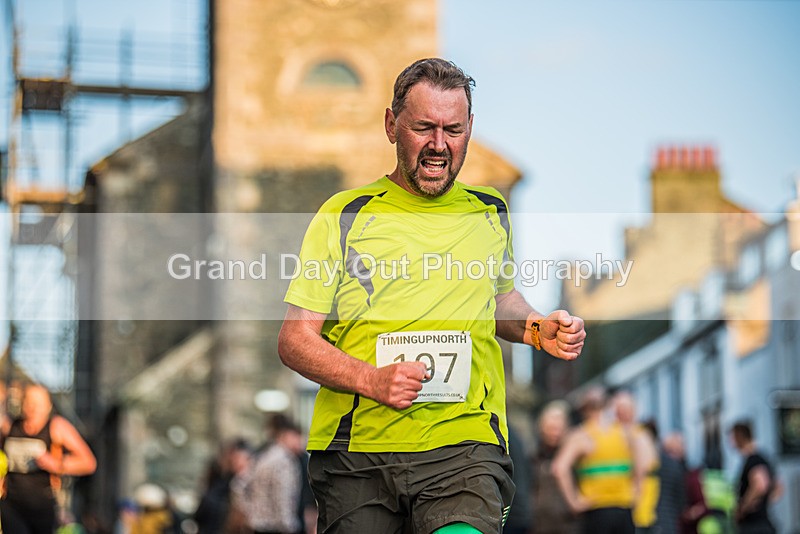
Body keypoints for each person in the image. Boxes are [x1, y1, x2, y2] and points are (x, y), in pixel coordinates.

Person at [277, 57, 586, 534]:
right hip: (359, 453)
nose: (439, 144)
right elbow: (295, 339)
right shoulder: (344, 215)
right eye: (423, 128)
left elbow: (499, 301)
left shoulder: (490, 212)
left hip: (465, 446)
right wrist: (371, 380)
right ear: (391, 125)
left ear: (470, 129)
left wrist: (536, 328)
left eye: (453, 130)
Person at [0, 383, 97, 534]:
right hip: (12, 504)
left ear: (48, 406)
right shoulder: (9, 426)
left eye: (38, 404)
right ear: (22, 403)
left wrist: (56, 464)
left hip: (42, 506)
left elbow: (89, 462)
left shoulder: (57, 427)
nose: (33, 408)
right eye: (29, 402)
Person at [551, 386, 642, 534]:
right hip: (624, 509)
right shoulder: (625, 433)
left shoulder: (582, 435)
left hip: (596, 510)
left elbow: (559, 468)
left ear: (583, 409)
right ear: (608, 405)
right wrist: (637, 492)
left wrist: (574, 503)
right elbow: (641, 466)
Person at [231, 416, 304, 534]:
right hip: (277, 527)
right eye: (297, 437)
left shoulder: (265, 457)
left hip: (258, 525)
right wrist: (288, 525)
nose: (301, 442)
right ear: (286, 435)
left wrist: (250, 512)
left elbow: (238, 484)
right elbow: (283, 495)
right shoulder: (284, 460)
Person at [531, 401, 578, 534]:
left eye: (559, 429)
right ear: (542, 428)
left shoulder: (572, 456)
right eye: (551, 428)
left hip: (568, 524)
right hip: (539, 525)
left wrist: (576, 504)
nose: (555, 434)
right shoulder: (534, 456)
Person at [730, 421, 780, 534]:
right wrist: (764, 501)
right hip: (763, 523)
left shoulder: (754, 460)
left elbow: (760, 485)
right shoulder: (763, 458)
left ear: (739, 437)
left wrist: (744, 507)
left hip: (754, 526)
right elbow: (778, 488)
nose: (730, 442)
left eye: (732, 437)